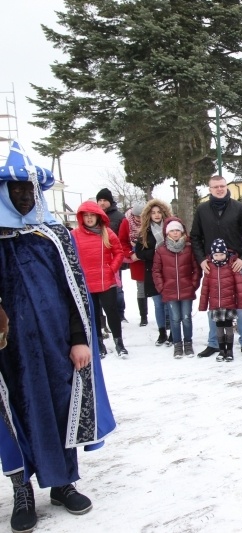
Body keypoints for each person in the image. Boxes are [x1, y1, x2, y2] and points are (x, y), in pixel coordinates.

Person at [0, 142, 115, 532]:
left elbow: (76, 293)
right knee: (16, 414)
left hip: (55, 346)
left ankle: (64, 483)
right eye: (15, 190)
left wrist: (80, 338)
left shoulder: (53, 236)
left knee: (61, 408)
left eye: (29, 190)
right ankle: (23, 490)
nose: (23, 196)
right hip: (8, 352)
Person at [191, 175, 242, 359]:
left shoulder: (239, 208)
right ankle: (214, 343)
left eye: (222, 186)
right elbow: (195, 237)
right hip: (212, 265)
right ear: (210, 189)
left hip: (235, 264)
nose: (219, 189)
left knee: (241, 304)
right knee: (215, 305)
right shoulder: (202, 210)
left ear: (226, 187)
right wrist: (201, 260)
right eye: (215, 187)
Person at [72, 200, 128, 357]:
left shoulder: (107, 233)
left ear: (98, 217)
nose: (89, 218)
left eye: (92, 215)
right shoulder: (74, 235)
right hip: (86, 282)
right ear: (81, 217)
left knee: (112, 313)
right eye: (86, 216)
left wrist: (112, 268)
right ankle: (98, 344)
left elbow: (119, 252)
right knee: (94, 314)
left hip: (106, 280)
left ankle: (119, 343)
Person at [152, 217, 201, 358]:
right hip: (169, 290)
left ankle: (188, 343)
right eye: (172, 231)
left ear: (182, 232)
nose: (175, 233)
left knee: (186, 317)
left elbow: (196, 269)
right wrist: (162, 287)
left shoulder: (189, 247)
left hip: (187, 289)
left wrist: (193, 284)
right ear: (167, 233)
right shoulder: (161, 250)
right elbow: (156, 271)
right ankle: (177, 344)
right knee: (174, 318)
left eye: (177, 230)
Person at [199, 239, 242, 362]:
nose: (219, 257)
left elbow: (239, 286)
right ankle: (221, 351)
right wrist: (203, 304)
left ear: (226, 253)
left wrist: (241, 302)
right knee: (219, 327)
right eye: (216, 255)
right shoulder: (209, 267)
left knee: (229, 326)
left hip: (229, 303)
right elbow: (205, 288)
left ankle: (229, 351)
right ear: (212, 255)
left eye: (222, 254)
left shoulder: (232, 265)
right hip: (216, 304)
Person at [135, 199, 173, 347]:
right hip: (152, 270)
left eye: (159, 212)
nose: (156, 215)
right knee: (158, 304)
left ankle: (172, 333)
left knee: (170, 303)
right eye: (153, 212)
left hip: (169, 270)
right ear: (148, 215)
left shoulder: (171, 228)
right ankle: (162, 332)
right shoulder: (145, 231)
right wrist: (156, 252)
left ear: (164, 213)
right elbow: (139, 253)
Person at [95, 187, 126, 321]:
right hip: (97, 259)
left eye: (104, 200)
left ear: (110, 202)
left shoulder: (119, 217)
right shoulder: (93, 216)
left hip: (114, 258)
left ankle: (120, 314)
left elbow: (123, 237)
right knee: (99, 289)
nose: (102, 203)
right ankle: (102, 317)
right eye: (99, 200)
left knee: (117, 289)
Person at [118, 202, 148, 326]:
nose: (140, 220)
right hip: (136, 260)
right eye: (137, 217)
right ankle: (143, 316)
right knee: (141, 289)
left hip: (151, 258)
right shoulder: (126, 222)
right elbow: (122, 241)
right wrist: (130, 253)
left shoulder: (150, 220)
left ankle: (165, 318)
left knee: (158, 288)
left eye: (142, 217)